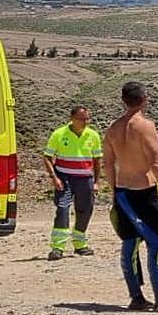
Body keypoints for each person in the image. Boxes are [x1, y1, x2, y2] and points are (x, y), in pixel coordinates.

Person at [102, 81, 158, 312]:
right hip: (144, 191)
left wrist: (114, 192)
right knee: (157, 243)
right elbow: (156, 164)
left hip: (123, 191)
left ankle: (136, 296)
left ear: (123, 100)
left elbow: (107, 164)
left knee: (130, 244)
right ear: (145, 99)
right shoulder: (145, 126)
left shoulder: (113, 128)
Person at [42, 105, 102, 260]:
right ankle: (58, 247)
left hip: (85, 179)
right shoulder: (59, 134)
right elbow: (47, 157)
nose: (85, 122)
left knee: (85, 210)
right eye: (82, 119)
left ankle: (80, 245)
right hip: (64, 178)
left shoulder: (93, 135)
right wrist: (54, 178)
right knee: (62, 209)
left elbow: (97, 160)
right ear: (72, 118)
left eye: (87, 118)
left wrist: (96, 182)